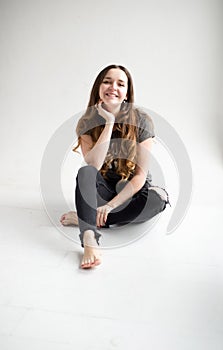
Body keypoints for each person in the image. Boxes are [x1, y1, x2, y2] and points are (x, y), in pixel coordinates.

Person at [60, 64, 170, 269]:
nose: (113, 87)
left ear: (127, 94)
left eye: (121, 84)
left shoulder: (142, 121)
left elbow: (139, 177)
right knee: (85, 172)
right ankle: (90, 238)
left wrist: (110, 206)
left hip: (131, 192)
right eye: (107, 81)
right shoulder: (87, 122)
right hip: (102, 190)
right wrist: (109, 122)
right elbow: (93, 165)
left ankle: (88, 217)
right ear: (98, 88)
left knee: (160, 199)